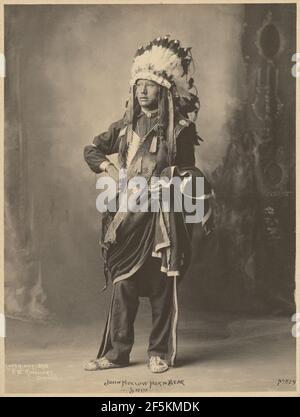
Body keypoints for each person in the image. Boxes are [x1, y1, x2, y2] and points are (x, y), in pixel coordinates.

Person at [83, 36, 213, 373]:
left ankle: (159, 352)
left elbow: (189, 170)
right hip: (129, 216)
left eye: (149, 85)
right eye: (138, 85)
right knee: (124, 283)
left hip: (163, 218)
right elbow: (92, 150)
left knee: (160, 286)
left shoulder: (180, 130)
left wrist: (180, 182)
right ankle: (116, 353)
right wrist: (112, 170)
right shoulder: (124, 128)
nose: (142, 92)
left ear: (163, 90)